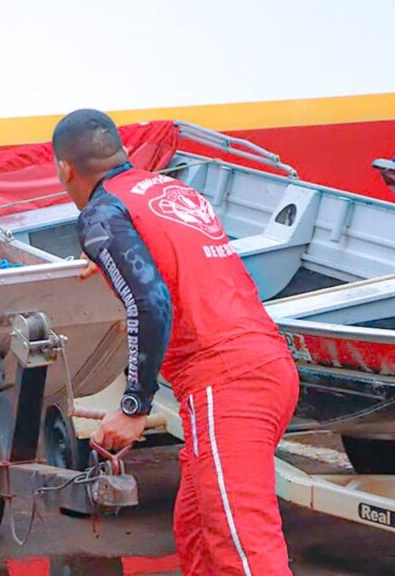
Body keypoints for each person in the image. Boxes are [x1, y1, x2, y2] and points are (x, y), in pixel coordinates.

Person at [53, 109, 298, 575]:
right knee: (197, 527)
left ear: (66, 169)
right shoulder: (168, 188)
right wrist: (112, 258)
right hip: (267, 363)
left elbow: (150, 303)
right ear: (120, 152)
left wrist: (133, 406)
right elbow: (172, 256)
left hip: (225, 383)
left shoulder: (101, 213)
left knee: (242, 547)